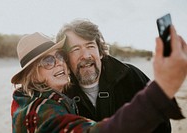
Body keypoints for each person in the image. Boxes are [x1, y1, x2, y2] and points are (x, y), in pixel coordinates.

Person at [11, 29, 186, 133]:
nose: (59, 63)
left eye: (59, 55)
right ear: (33, 75)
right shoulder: (38, 112)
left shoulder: (51, 96)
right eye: (48, 61)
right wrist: (162, 88)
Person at [56, 19, 173, 132]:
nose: (85, 55)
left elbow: (162, 124)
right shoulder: (62, 94)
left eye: (90, 46)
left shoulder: (131, 76)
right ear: (65, 58)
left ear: (100, 52)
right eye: (75, 49)